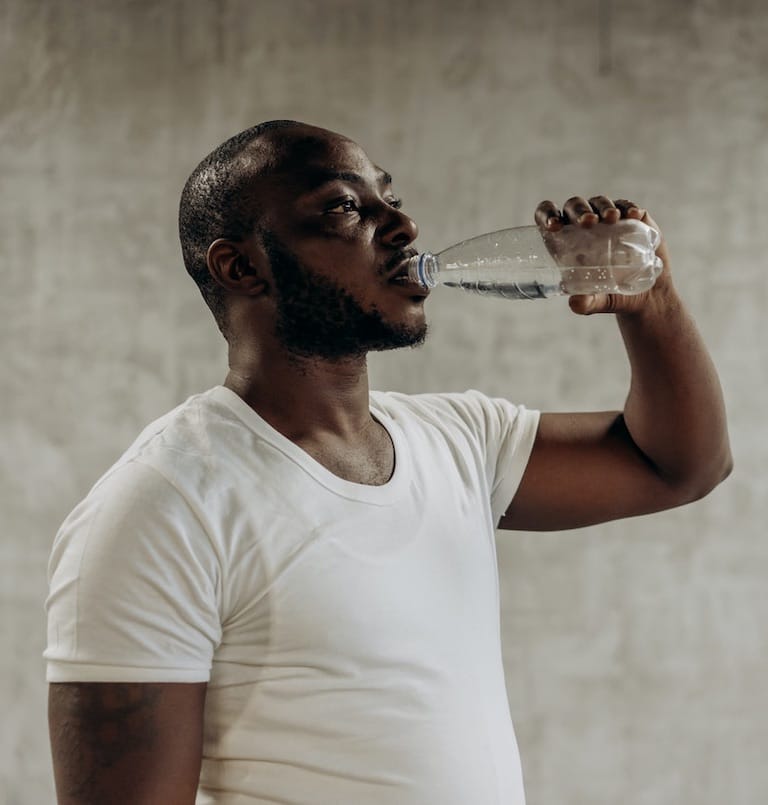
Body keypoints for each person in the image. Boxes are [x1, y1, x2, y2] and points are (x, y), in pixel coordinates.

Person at [45, 120, 732, 805]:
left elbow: (680, 465)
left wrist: (653, 304)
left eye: (389, 196)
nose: (401, 224)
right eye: (345, 207)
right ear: (241, 266)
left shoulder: (458, 439)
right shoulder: (163, 507)